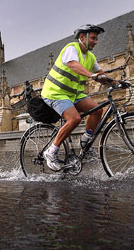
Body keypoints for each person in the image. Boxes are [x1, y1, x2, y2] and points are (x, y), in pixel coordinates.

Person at [41, 24, 110, 171]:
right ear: (82, 37)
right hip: (55, 92)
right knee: (74, 119)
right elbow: (73, 65)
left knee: (97, 110)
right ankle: (51, 151)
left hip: (73, 94)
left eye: (96, 39)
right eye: (93, 38)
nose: (95, 41)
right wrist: (92, 75)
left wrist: (117, 82)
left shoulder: (90, 57)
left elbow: (102, 74)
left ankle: (86, 142)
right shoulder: (72, 48)